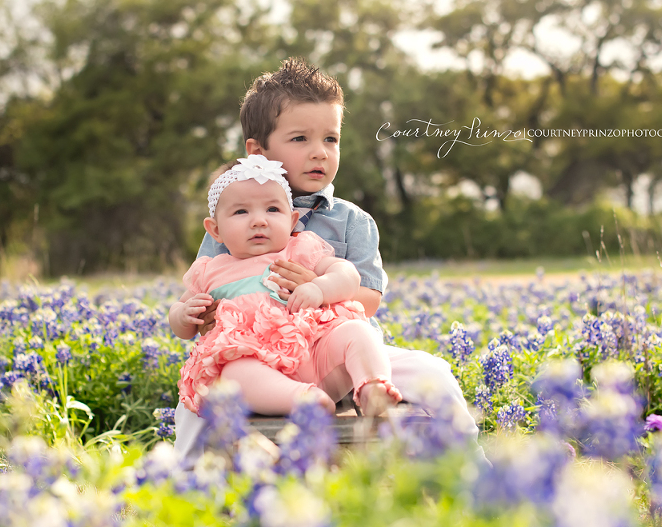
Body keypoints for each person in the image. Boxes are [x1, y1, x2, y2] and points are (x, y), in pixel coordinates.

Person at [174, 58, 481, 468]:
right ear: (257, 151)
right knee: (198, 400)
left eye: (331, 139)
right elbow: (200, 302)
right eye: (300, 138)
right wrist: (200, 313)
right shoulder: (230, 218)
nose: (319, 152)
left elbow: (368, 300)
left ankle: (474, 469)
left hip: (336, 356)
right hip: (255, 361)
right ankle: (186, 480)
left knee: (434, 374)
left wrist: (318, 289)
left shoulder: (352, 220)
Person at [169, 154, 402, 419]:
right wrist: (183, 314)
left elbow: (347, 273)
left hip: (317, 354)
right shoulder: (210, 270)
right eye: (241, 211)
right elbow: (179, 318)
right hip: (256, 365)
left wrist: (320, 288)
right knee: (233, 372)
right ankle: (304, 400)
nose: (259, 220)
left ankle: (373, 386)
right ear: (215, 230)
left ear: (292, 221)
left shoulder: (299, 249)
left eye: (272, 210)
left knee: (357, 332)